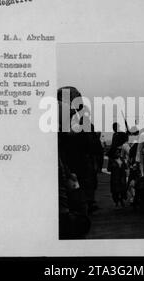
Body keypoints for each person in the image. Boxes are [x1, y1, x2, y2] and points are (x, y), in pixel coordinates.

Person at [57, 86, 91, 239]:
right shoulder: (65, 113)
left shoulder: (65, 114)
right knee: (76, 204)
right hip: (70, 167)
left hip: (70, 165)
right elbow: (68, 136)